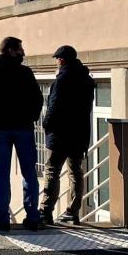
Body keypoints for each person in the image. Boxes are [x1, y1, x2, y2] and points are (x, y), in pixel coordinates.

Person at [0, 37, 43, 232]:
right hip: (24, 128)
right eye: (20, 49)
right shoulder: (25, 72)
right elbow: (38, 99)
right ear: (11, 50)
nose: (23, 52)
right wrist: (31, 117)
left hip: (1, 129)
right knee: (29, 173)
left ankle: (2, 219)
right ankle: (33, 217)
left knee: (1, 175)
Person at [39, 46, 95, 225]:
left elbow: (53, 107)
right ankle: (73, 211)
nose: (56, 62)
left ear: (62, 60)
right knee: (75, 172)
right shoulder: (87, 80)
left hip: (60, 135)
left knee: (52, 171)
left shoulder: (61, 80)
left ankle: (46, 211)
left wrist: (46, 125)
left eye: (57, 59)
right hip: (79, 134)